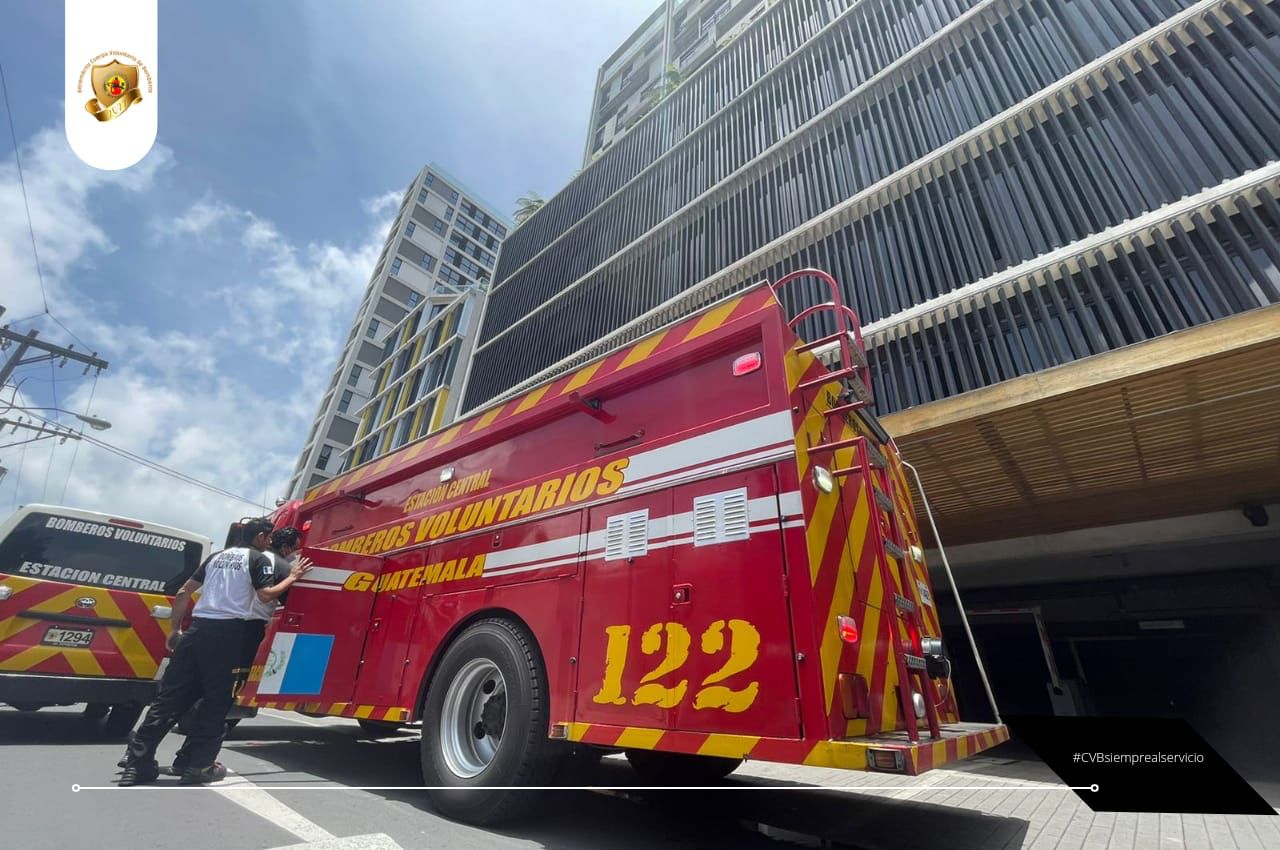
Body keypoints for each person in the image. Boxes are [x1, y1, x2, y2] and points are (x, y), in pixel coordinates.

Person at [118, 518, 311, 786]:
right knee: (217, 702)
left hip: (197, 632)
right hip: (232, 636)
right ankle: (198, 766)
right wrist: (293, 576)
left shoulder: (216, 557)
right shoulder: (261, 560)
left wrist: (174, 631)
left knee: (168, 700)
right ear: (261, 537)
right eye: (267, 537)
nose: (268, 543)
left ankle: (136, 765)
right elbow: (267, 596)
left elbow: (184, 592)